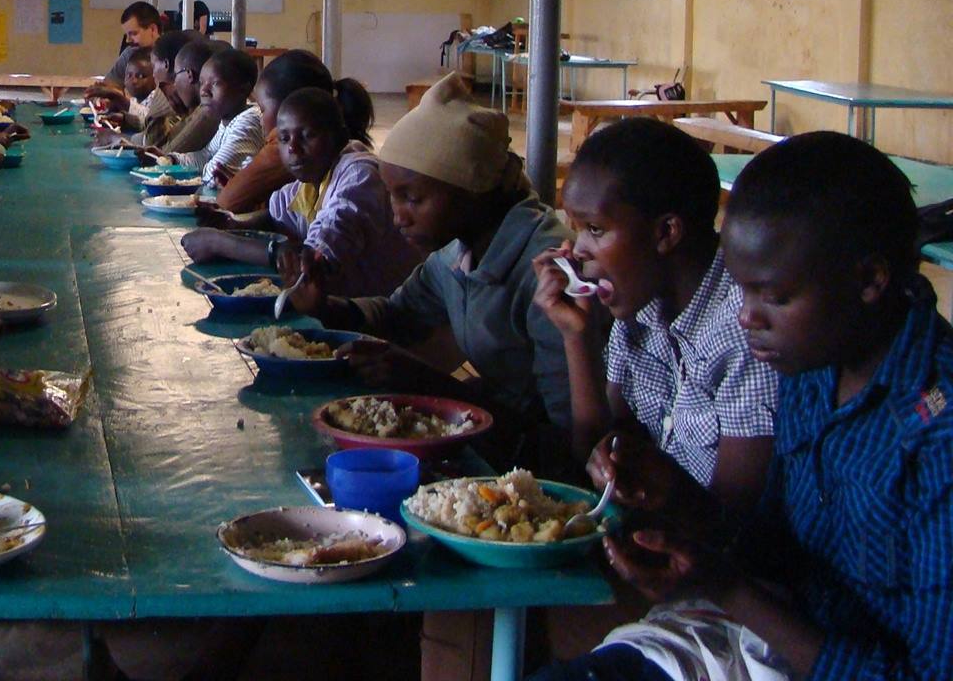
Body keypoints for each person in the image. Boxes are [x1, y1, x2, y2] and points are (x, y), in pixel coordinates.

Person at [534, 132, 953, 681]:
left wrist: (722, 584)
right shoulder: (816, 364)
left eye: (772, 296)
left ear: (870, 279)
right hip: (766, 634)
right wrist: (679, 498)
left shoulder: (935, 439)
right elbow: (773, 548)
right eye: (741, 289)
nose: (744, 316)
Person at [288, 72, 575, 468]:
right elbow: (399, 315)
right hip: (498, 432)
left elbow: (568, 442)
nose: (398, 216)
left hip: (537, 461)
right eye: (393, 196)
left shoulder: (547, 275)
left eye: (412, 198)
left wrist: (429, 382)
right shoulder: (457, 250)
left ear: (472, 191)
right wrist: (326, 306)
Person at [532, 118, 777, 513]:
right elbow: (596, 455)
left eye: (595, 229)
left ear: (665, 233)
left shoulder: (746, 329)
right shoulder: (640, 307)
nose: (577, 250)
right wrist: (578, 336)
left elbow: (732, 518)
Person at [183, 88, 421, 298]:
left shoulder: (359, 177)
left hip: (383, 318)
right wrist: (233, 224)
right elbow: (276, 218)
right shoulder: (309, 182)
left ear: (339, 136)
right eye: (284, 138)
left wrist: (219, 242)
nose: (293, 148)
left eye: (307, 136)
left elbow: (312, 261)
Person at [214, 49, 374, 214]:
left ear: (290, 108)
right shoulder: (328, 147)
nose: (260, 119)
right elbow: (285, 216)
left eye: (263, 109)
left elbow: (225, 205)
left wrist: (240, 188)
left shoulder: (290, 148)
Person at [162, 45, 265, 187]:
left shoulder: (249, 121)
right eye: (202, 83)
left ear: (243, 89)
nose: (203, 91)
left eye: (215, 83)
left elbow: (214, 173)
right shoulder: (228, 120)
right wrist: (172, 159)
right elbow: (206, 154)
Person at [105, 0, 163, 87]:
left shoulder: (174, 54)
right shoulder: (130, 53)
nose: (128, 40)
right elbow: (108, 85)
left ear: (153, 29)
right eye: (127, 35)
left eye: (134, 33)